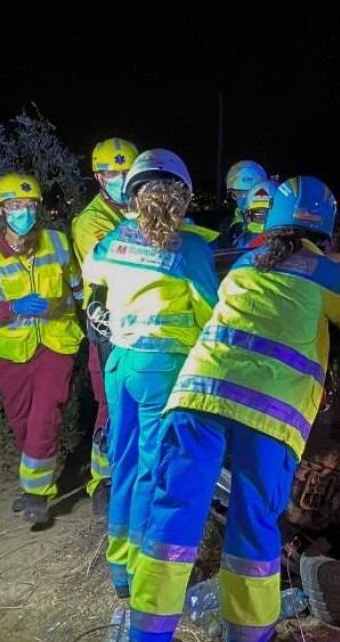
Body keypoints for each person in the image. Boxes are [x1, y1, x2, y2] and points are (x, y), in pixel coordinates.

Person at [127, 176, 340, 642]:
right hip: (270, 411)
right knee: (253, 526)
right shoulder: (325, 271)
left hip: (198, 396)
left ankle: (145, 633)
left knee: (172, 514)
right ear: (326, 228)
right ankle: (248, 635)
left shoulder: (248, 261)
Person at [83, 149, 219, 597]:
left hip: (120, 364)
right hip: (163, 371)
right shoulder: (190, 248)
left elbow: (93, 272)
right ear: (182, 197)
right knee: (153, 470)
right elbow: (211, 313)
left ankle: (119, 567)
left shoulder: (115, 239)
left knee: (123, 464)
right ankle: (144, 568)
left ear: (133, 195)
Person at [0, 171, 84, 526]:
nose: (25, 212)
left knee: (45, 416)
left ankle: (36, 494)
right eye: (16, 205)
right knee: (22, 423)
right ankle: (34, 477)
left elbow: (79, 287)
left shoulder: (58, 242)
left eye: (30, 204)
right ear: (1, 210)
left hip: (57, 341)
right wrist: (13, 306)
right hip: (10, 352)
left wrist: (87, 311)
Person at [72, 137, 140, 518]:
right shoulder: (91, 222)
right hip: (107, 322)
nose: (122, 179)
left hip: (142, 318)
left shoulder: (141, 209)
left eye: (127, 172)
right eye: (113, 173)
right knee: (111, 403)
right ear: (99, 177)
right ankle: (103, 481)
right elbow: (117, 261)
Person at [223, 159, 275, 249]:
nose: (242, 199)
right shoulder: (229, 225)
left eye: (247, 192)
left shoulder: (275, 221)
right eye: (237, 193)